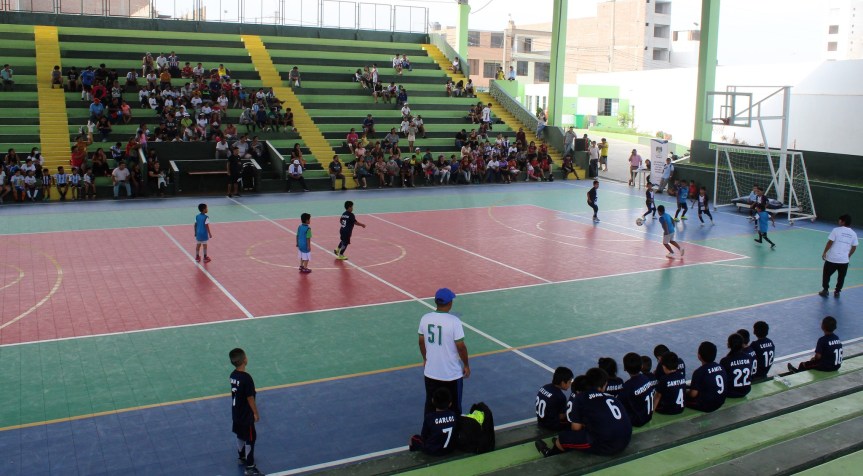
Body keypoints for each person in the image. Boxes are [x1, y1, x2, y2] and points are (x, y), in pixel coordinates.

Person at [535, 367, 632, 457]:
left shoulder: (581, 398)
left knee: (562, 439)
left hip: (607, 446)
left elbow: (575, 429)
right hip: (626, 439)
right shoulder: (611, 397)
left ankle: (549, 454)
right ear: (603, 385)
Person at [418, 288, 470, 416]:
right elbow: (461, 346)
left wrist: (425, 359)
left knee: (430, 406)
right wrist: (466, 365)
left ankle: (429, 428)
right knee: (455, 408)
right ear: (450, 303)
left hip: (431, 373)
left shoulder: (425, 319)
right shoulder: (454, 321)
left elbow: (421, 342)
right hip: (451, 375)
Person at [229, 348, 262, 476]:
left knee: (240, 434)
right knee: (251, 437)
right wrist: (255, 413)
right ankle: (250, 466)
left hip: (236, 412)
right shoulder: (247, 378)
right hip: (245, 414)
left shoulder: (232, 375)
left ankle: (241, 456)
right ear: (244, 360)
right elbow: (250, 397)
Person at [409, 388, 458, 456]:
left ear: (432, 401)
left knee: (414, 438)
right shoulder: (453, 415)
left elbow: (424, 436)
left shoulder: (429, 417)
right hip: (450, 450)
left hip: (433, 452)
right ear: (450, 404)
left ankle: (418, 458)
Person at [819, 214, 857, 298]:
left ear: (843, 221)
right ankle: (837, 292)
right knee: (841, 277)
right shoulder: (853, 233)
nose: (838, 221)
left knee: (826, 275)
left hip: (832, 259)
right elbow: (854, 247)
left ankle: (825, 290)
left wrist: (824, 252)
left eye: (840, 220)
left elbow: (830, 242)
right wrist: (848, 255)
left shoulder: (836, 230)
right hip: (844, 261)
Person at [685, 341, 727, 413]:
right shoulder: (721, 367)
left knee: (680, 399)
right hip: (721, 401)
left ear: (699, 356)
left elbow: (692, 395)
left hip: (707, 406)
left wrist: (686, 392)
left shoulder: (699, 372)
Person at [619, 353, 655, 427]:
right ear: (641, 366)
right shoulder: (646, 378)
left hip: (637, 421)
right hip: (649, 416)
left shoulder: (627, 386)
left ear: (625, 368)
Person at [536, 367, 574, 431]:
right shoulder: (560, 396)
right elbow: (561, 416)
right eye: (569, 382)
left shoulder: (544, 387)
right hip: (551, 426)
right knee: (575, 422)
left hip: (540, 421)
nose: (570, 385)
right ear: (563, 383)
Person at [719, 333, 752, 398]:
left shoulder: (725, 361)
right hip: (746, 390)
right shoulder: (749, 357)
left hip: (730, 392)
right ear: (742, 344)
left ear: (728, 345)